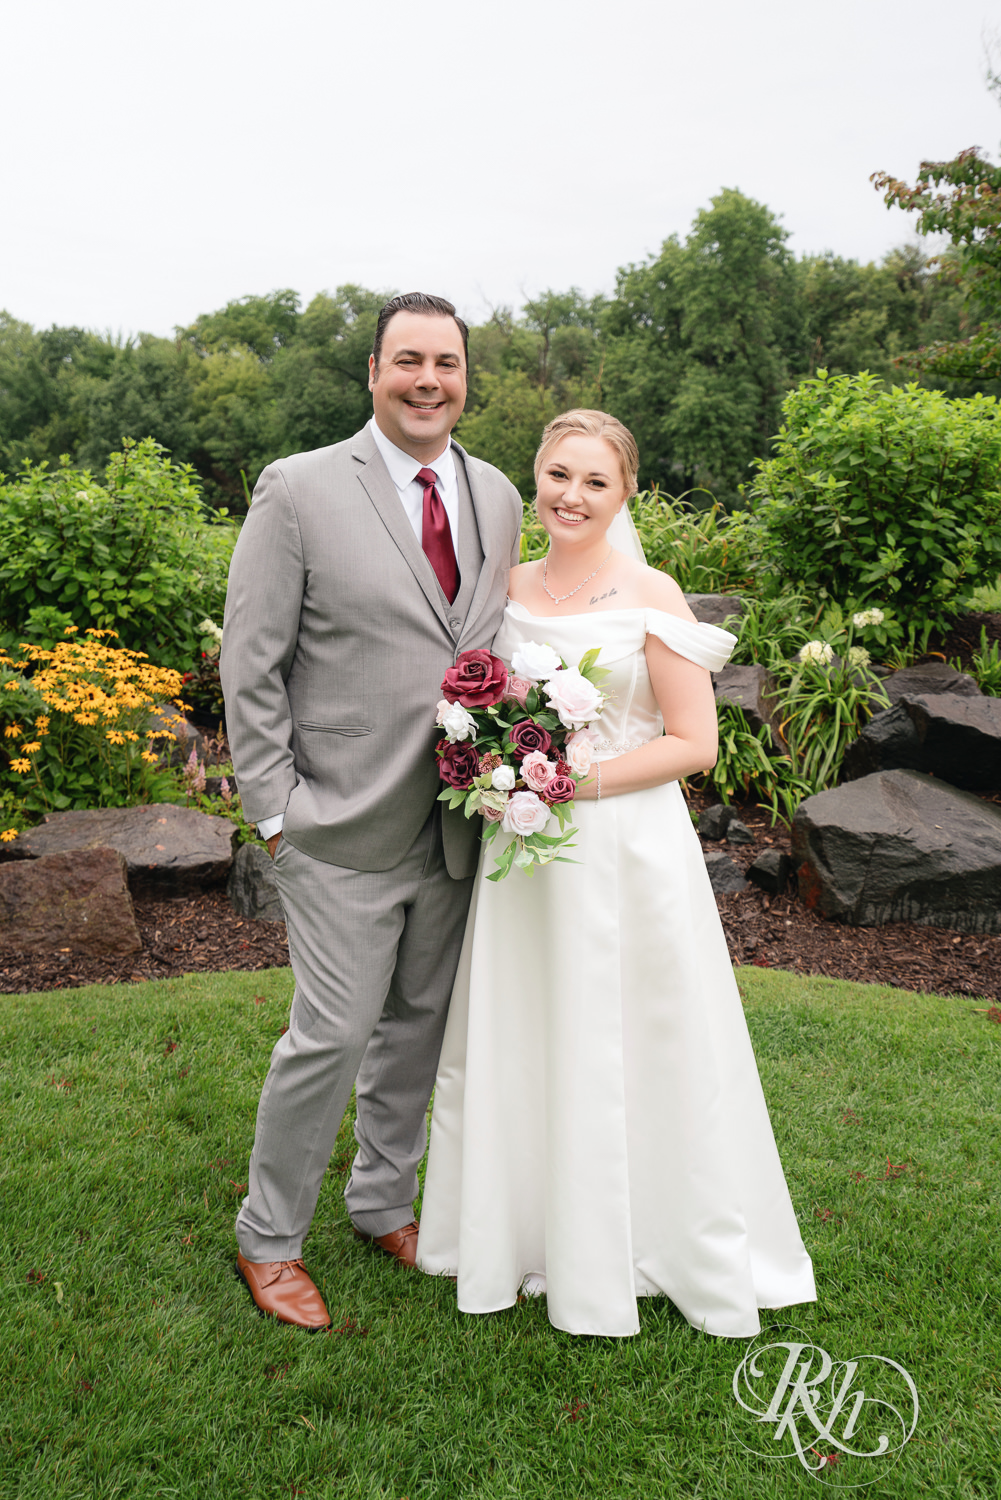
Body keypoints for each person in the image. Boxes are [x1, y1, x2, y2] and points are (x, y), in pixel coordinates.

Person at [417, 409, 816, 1338]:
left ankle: (654, 1238)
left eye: (596, 481)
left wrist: (569, 779)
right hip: (524, 851)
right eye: (559, 475)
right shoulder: (501, 587)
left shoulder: (653, 593)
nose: (571, 495)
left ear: (624, 493)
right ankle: (522, 1233)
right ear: (537, 475)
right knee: (527, 1028)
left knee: (642, 1036)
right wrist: (497, 767)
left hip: (628, 849)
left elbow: (693, 743)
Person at [220, 292, 522, 1331]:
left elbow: (484, 646)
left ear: (464, 376)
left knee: (415, 1032)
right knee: (331, 1034)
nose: (427, 379)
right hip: (333, 825)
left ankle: (382, 1202)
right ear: (372, 371)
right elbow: (248, 661)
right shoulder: (298, 489)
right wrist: (274, 809)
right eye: (408, 361)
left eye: (445, 361)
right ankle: (269, 1239)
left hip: (454, 820)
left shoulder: (495, 492)